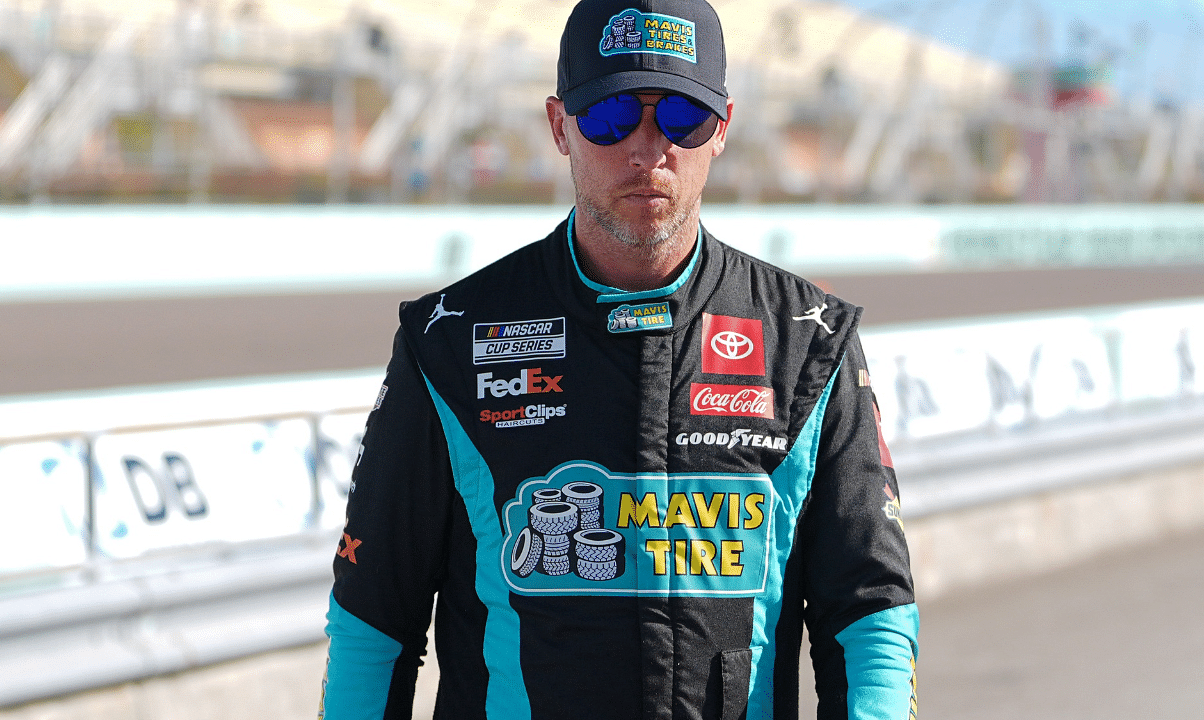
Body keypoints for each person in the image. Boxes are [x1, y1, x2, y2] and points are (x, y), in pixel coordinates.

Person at [319, 0, 919, 718]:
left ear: (722, 129)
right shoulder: (449, 340)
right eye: (609, 117)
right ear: (559, 126)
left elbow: (870, 614)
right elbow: (373, 621)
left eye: (680, 119)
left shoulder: (808, 343)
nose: (647, 148)